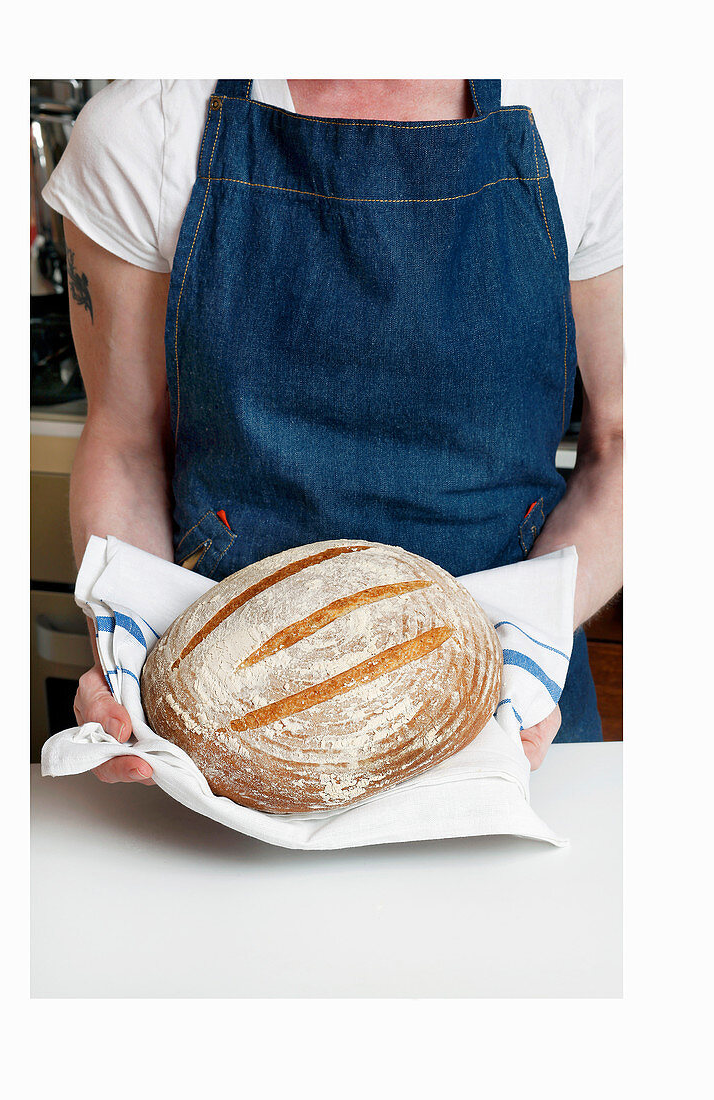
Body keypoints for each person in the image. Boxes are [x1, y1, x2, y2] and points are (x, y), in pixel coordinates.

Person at [42, 78, 623, 786]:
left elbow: (626, 443)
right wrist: (129, 647)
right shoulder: (146, 128)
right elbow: (127, 441)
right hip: (228, 723)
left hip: (512, 712)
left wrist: (522, 662)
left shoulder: (590, 117)